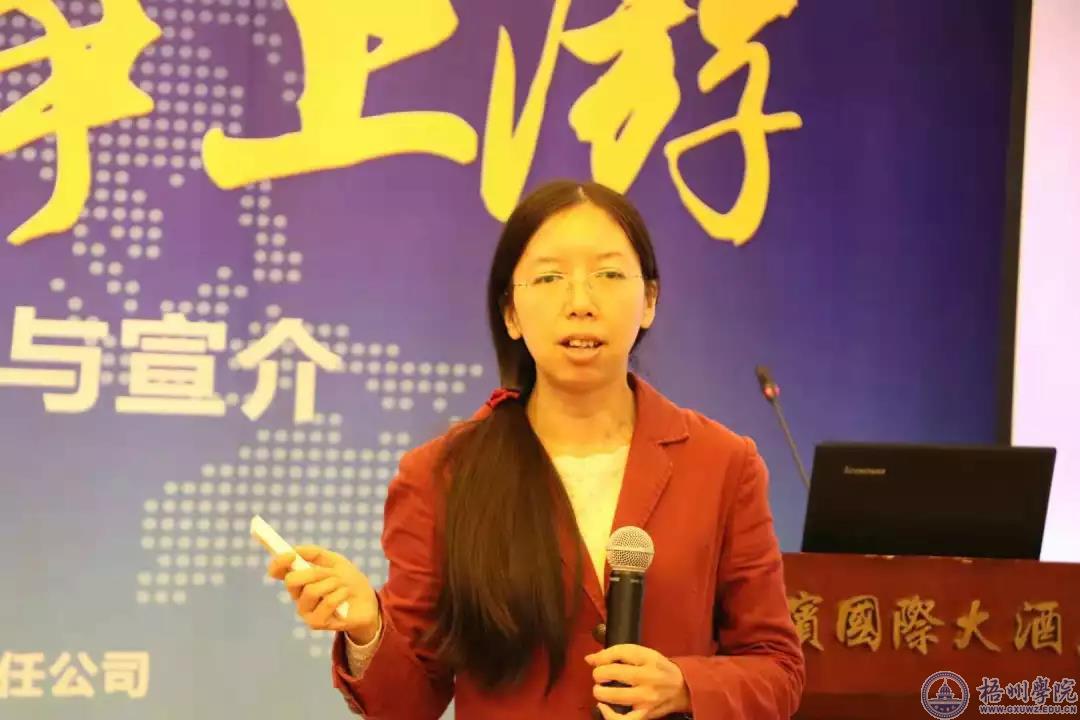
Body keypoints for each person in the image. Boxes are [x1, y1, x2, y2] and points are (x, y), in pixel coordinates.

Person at [268, 180, 805, 719]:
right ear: (511, 312)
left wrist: (686, 685)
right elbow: (407, 703)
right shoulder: (444, 474)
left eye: (608, 275)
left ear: (649, 301)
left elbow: (777, 668)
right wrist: (368, 626)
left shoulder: (721, 464)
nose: (580, 303)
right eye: (550, 278)